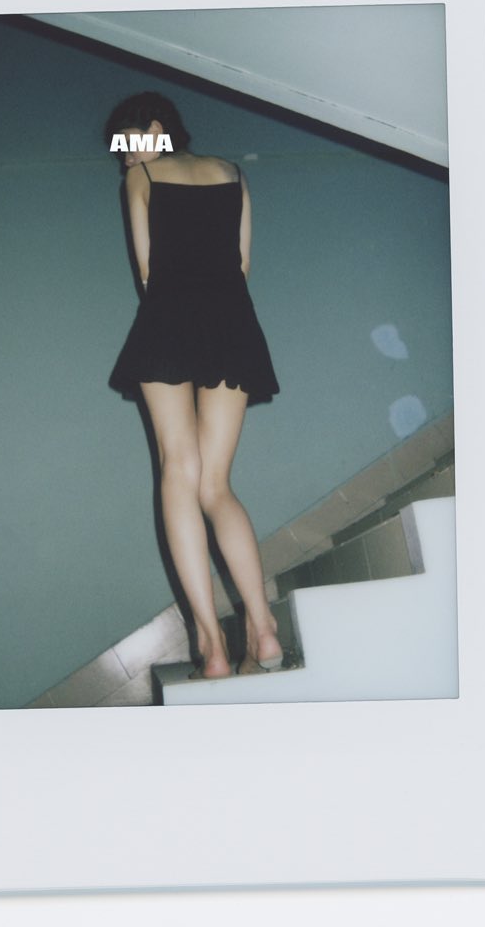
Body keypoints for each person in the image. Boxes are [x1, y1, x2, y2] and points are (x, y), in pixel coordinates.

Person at [105, 91, 283, 679]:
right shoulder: (232, 172)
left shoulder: (142, 178)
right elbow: (243, 264)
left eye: (127, 144)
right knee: (216, 484)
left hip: (169, 319)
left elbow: (147, 271)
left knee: (178, 470)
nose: (125, 158)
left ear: (156, 128)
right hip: (233, 322)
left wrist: (175, 309)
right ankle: (263, 627)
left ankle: (211, 644)